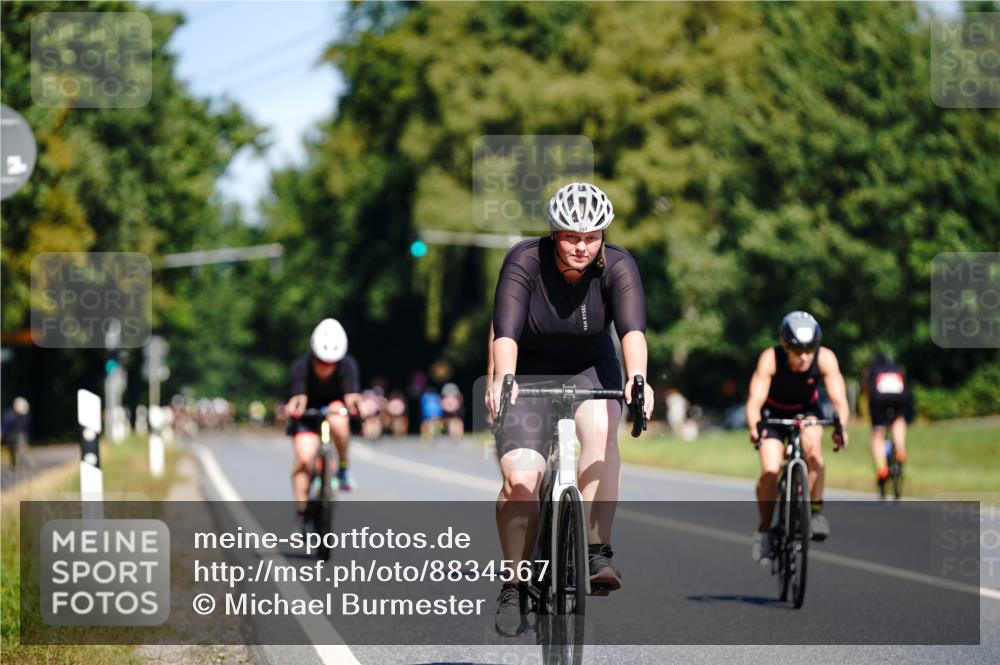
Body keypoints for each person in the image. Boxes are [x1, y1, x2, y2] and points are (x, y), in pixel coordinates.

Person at [485, 182, 654, 636]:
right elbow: (505, 332)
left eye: (591, 236)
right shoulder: (524, 260)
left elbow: (632, 331)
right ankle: (515, 583)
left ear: (602, 236)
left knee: (600, 434)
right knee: (520, 481)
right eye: (570, 236)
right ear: (553, 232)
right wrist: (502, 380)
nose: (581, 246)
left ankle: (598, 550)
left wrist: (639, 379)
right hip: (528, 371)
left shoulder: (617, 265)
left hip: (590, 368)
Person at [745, 311, 850, 565]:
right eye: (797, 350)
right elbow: (754, 401)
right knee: (770, 470)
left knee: (813, 451)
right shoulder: (770, 358)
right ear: (785, 346)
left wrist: (841, 428)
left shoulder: (825, 358)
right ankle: (764, 530)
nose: (804, 357)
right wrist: (754, 427)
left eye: (809, 350)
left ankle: (814, 512)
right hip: (774, 415)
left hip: (807, 413)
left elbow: (839, 401)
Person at [285, 319, 363, 520]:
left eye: (331, 363)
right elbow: (298, 398)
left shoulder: (348, 365)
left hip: (334, 407)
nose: (326, 367)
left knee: (338, 416)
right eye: (321, 362)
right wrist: (293, 409)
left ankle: (343, 467)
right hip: (308, 411)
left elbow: (351, 396)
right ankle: (302, 513)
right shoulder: (300, 366)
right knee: (304, 459)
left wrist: (357, 407)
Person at [864, 353, 912, 490]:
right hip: (899, 398)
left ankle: (881, 467)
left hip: (879, 399)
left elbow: (869, 391)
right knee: (898, 419)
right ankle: (900, 448)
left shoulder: (873, 370)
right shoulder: (897, 368)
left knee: (878, 435)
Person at [1, 397, 30, 469]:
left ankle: (21, 463)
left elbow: (24, 429)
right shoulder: (8, 415)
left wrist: (26, 439)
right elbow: (5, 426)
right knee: (11, 451)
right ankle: (13, 464)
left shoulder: (23, 417)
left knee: (21, 450)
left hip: (20, 436)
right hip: (10, 436)